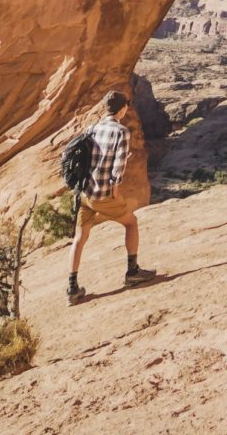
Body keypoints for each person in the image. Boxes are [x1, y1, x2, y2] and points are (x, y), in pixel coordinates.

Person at [68, 89, 154, 302]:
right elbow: (118, 165)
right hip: (103, 193)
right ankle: (132, 272)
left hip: (85, 193)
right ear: (123, 108)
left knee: (80, 238)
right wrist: (115, 191)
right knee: (131, 223)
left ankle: (72, 287)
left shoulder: (93, 128)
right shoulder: (121, 131)